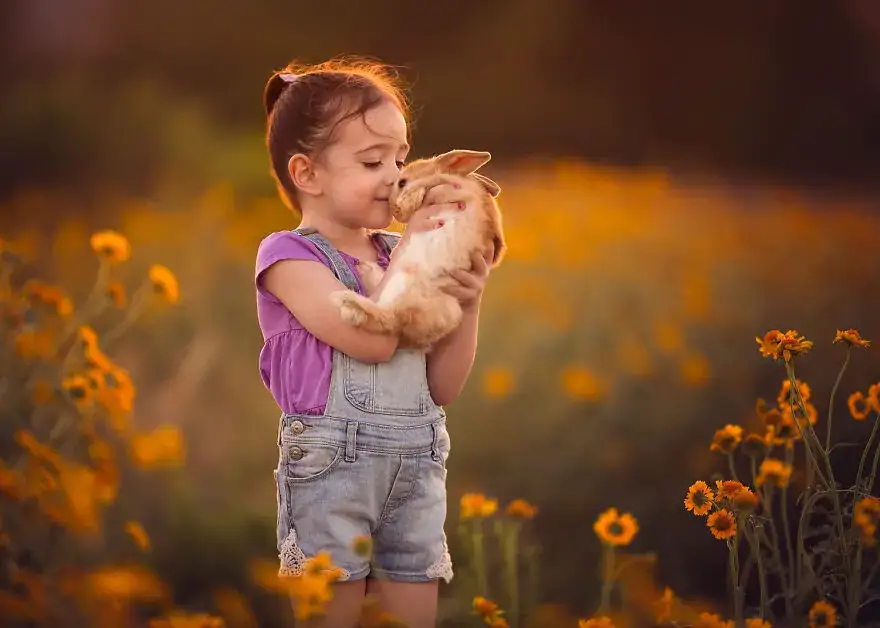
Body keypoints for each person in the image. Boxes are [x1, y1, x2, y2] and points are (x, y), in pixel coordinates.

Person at [254, 57, 493, 628]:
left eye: (401, 159)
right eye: (371, 161)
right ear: (307, 174)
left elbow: (443, 386)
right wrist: (417, 246)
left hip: (417, 468)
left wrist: (468, 301)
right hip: (332, 475)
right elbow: (374, 341)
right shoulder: (289, 257)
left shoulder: (395, 253)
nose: (394, 175)